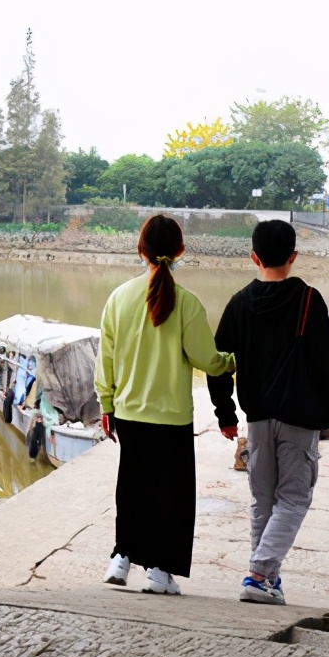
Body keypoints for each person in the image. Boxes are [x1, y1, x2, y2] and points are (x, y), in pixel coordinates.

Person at [208, 220, 329, 605]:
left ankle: (269, 579)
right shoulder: (308, 299)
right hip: (300, 419)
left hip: (256, 419)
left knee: (264, 500)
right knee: (294, 498)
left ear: (254, 257)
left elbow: (219, 362)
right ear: (293, 257)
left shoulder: (239, 303)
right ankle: (258, 574)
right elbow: (325, 362)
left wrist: (225, 413)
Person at [94, 214, 236, 595]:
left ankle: (121, 559)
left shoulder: (118, 298)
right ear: (180, 252)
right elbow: (208, 360)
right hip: (172, 417)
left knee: (132, 486)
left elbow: (104, 359)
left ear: (140, 250)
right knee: (170, 496)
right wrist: (233, 361)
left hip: (128, 412)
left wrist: (106, 405)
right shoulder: (187, 304)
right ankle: (159, 571)